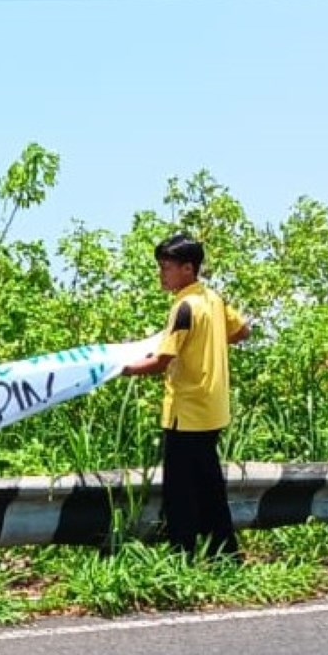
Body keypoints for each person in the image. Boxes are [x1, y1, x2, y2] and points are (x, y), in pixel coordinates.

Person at [123, 233, 251, 559]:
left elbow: (161, 361)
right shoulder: (213, 299)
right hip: (213, 408)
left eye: (166, 268)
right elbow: (242, 331)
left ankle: (184, 556)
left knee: (180, 492)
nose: (161, 274)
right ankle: (225, 554)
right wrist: (210, 346)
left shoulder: (183, 308)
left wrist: (121, 369)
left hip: (187, 412)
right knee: (209, 487)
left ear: (187, 268)